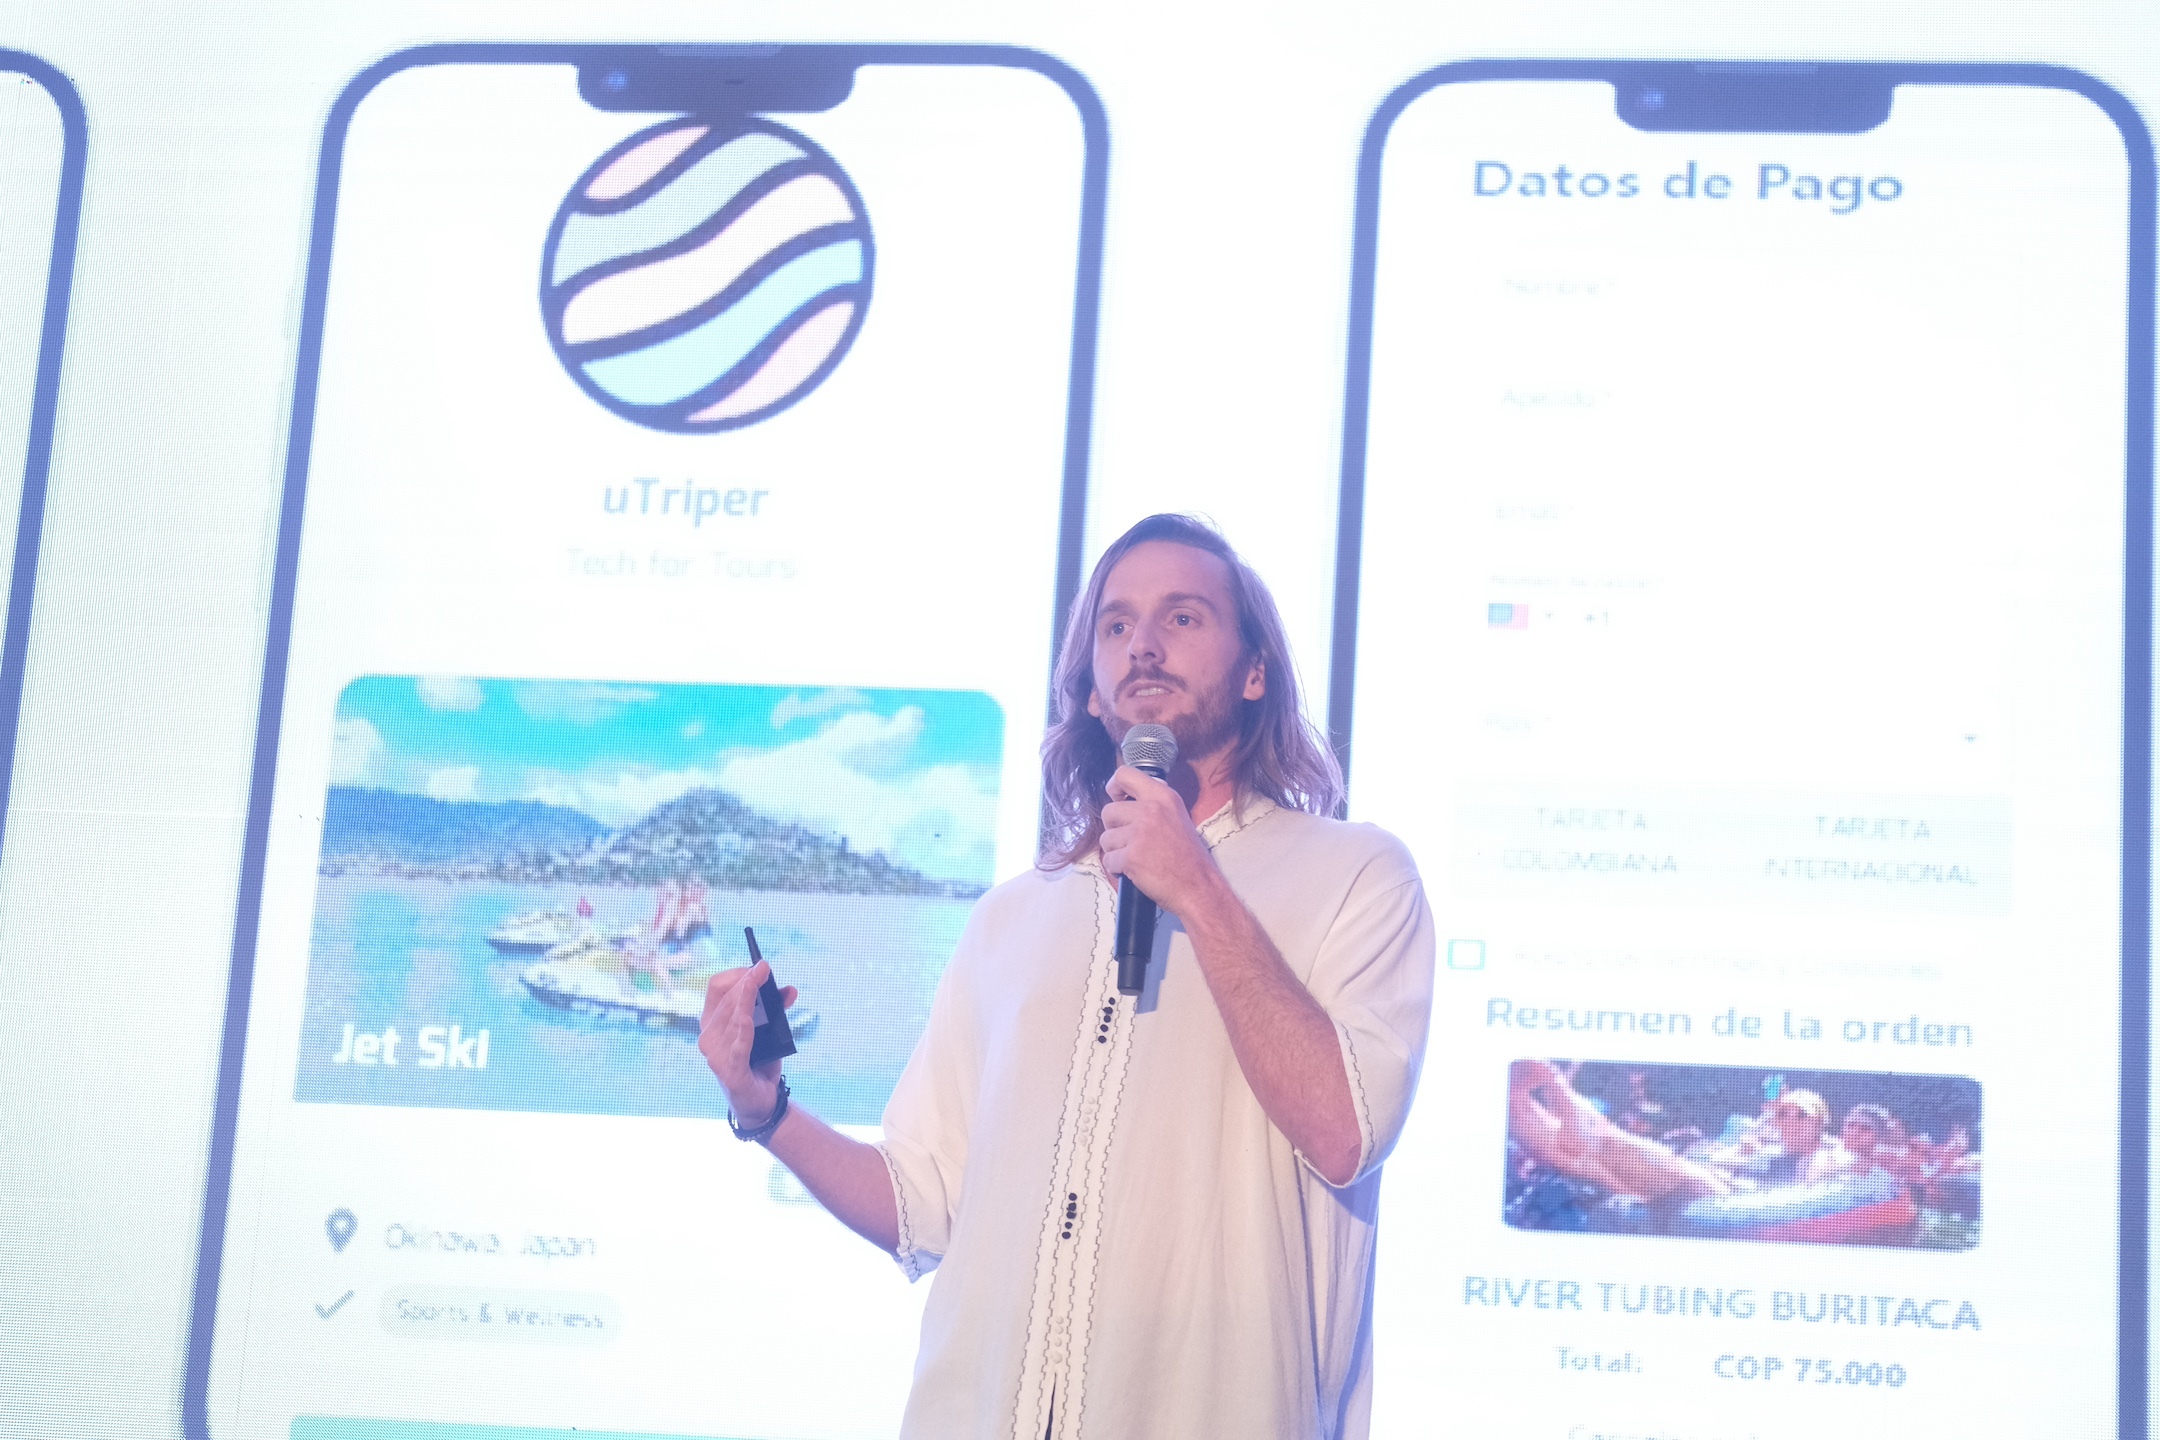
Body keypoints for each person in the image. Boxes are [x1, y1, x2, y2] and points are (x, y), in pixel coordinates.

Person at [700, 514, 1434, 1440]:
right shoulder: (1012, 917)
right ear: (1090, 691)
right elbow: (923, 1202)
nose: (1144, 645)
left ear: (1257, 672)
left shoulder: (1357, 875)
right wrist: (765, 1110)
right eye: (1117, 625)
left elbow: (1345, 1131)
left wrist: (1197, 888)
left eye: (1183, 618)